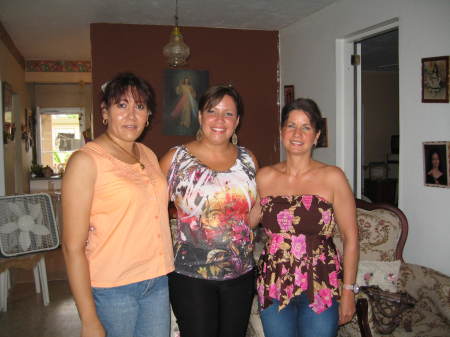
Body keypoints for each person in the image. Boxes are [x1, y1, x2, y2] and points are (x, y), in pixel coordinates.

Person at [62, 72, 174, 337]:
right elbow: (72, 247)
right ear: (105, 112)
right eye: (122, 105)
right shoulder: (85, 161)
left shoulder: (146, 154)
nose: (131, 115)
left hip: (156, 280)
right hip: (113, 288)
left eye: (140, 106)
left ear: (148, 115)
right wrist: (88, 320)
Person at [160, 85, 259, 337]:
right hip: (191, 277)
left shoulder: (249, 161)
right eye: (212, 111)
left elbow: (255, 214)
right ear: (200, 116)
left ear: (237, 121)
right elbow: (151, 212)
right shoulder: (176, 159)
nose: (219, 120)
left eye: (228, 114)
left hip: (241, 275)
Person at [254, 98, 359, 337]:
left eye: (306, 127)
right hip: (274, 281)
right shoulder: (264, 177)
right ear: (281, 131)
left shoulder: (333, 177)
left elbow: (351, 237)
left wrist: (349, 290)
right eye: (291, 125)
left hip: (321, 281)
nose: (297, 133)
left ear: (317, 134)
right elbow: (249, 222)